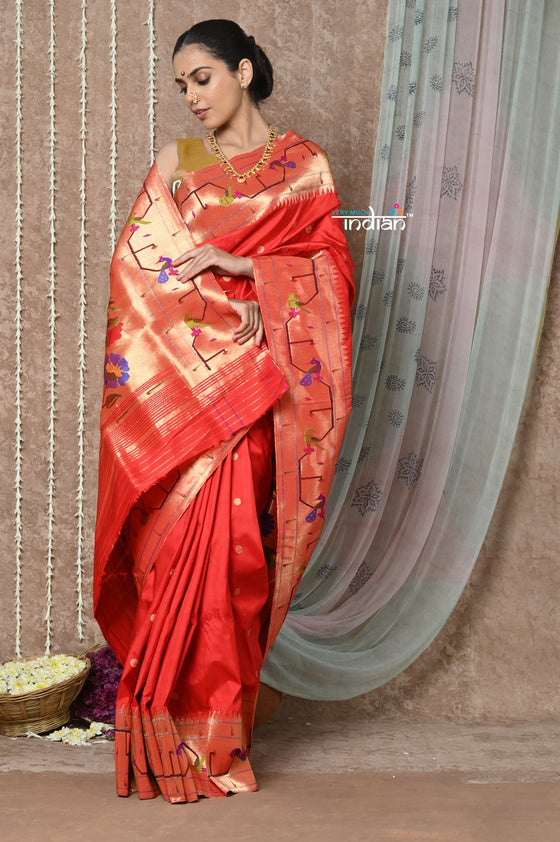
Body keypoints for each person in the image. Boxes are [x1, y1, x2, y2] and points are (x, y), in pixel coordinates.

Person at [93, 19, 354, 803]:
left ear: (242, 71)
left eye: (201, 78)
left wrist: (252, 279)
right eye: (181, 85)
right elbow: (139, 274)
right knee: (175, 556)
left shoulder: (305, 166)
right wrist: (211, 312)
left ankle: (218, 737)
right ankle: (164, 728)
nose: (191, 96)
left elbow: (332, 270)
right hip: (192, 386)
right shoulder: (176, 163)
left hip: (261, 386)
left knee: (239, 559)